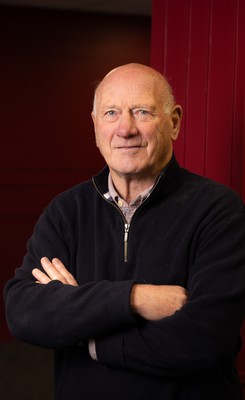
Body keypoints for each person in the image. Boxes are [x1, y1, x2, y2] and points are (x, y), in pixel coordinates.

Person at [4, 63, 245, 400]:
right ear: (95, 125)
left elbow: (203, 339)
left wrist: (86, 334)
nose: (125, 129)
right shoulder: (66, 211)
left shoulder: (218, 210)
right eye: (111, 113)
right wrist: (135, 299)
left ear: (174, 122)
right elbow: (25, 312)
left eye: (142, 111)